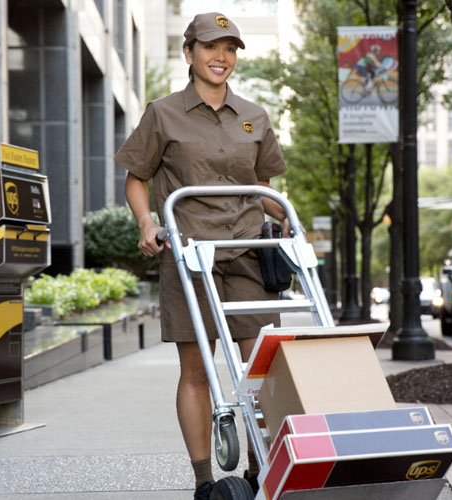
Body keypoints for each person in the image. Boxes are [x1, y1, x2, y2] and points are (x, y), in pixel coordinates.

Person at [114, 12, 289, 500]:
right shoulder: (163, 112)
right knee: (196, 370)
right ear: (189, 52)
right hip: (191, 252)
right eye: (212, 47)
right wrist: (147, 223)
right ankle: (205, 483)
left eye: (230, 49)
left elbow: (265, 188)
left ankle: (260, 471)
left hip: (249, 251)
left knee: (261, 367)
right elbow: (136, 177)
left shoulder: (255, 115)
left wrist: (289, 219)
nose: (222, 57)